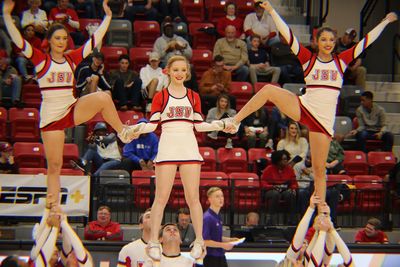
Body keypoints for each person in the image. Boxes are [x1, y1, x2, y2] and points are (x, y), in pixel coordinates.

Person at [226, 1, 398, 202]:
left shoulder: (341, 61)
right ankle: (234, 121)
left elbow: (366, 41)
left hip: (323, 121)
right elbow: (288, 35)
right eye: (323, 39)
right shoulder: (308, 59)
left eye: (331, 40)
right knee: (268, 90)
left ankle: (322, 211)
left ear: (335, 42)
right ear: (316, 41)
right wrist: (272, 11)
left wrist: (385, 21)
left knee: (318, 169)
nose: (327, 43)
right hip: (304, 107)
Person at [3, 0, 139, 204]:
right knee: (55, 166)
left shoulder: (72, 59)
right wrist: (6, 14)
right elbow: (20, 42)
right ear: (49, 40)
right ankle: (53, 206)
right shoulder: (41, 60)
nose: (61, 41)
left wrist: (108, 17)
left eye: (65, 38)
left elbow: (93, 42)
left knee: (103, 97)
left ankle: (122, 132)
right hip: (51, 119)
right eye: (57, 38)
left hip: (72, 109)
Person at [124, 55, 227, 263]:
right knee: (161, 197)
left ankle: (199, 240)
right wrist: (133, 129)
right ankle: (154, 241)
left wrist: (222, 125)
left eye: (183, 70)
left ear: (187, 73)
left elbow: (200, 125)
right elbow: (153, 126)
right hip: (168, 147)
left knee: (193, 199)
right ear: (168, 71)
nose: (180, 73)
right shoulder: (160, 96)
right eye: (176, 69)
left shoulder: (193, 96)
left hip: (189, 147)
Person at [31, 194, 94, 267]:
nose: (73, 253)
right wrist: (60, 221)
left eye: (74, 255)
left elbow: (78, 248)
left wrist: (58, 223)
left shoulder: (84, 262)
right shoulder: (39, 259)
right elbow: (40, 251)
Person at [203, 187, 240, 267]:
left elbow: (216, 236)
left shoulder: (218, 215)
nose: (221, 199)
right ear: (210, 199)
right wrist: (223, 245)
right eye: (217, 196)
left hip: (220, 255)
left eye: (222, 196)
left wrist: (229, 239)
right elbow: (205, 241)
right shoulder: (207, 217)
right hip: (210, 257)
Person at [261, 150, 298, 225]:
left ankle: (290, 220)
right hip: (271, 189)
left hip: (285, 189)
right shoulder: (269, 169)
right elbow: (263, 183)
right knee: (275, 194)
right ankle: (271, 220)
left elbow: (294, 183)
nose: (286, 161)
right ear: (277, 160)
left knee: (290, 194)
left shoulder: (290, 169)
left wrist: (293, 188)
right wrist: (272, 186)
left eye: (286, 159)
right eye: (283, 159)